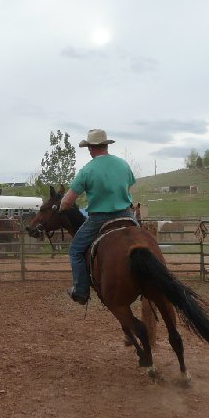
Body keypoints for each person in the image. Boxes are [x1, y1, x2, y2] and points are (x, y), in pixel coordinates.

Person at [60, 129, 136, 305]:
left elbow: (68, 202)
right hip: (126, 215)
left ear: (91, 148)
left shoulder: (87, 170)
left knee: (75, 250)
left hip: (99, 219)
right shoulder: (123, 165)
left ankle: (80, 290)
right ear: (105, 145)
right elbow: (128, 186)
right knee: (144, 242)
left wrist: (62, 205)